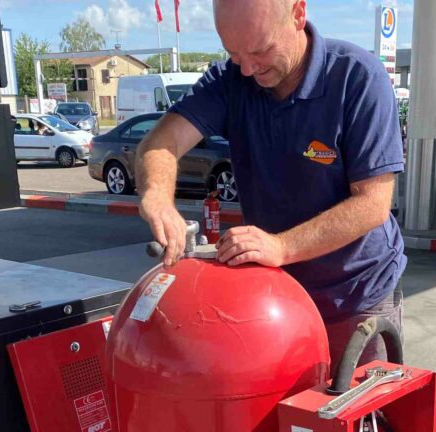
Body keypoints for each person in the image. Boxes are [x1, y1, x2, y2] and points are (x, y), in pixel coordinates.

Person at [136, 0, 407, 367]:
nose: (248, 69)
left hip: (357, 297)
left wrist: (281, 246)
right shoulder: (230, 81)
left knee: (356, 419)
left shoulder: (357, 77)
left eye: (260, 50)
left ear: (298, 14)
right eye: (234, 53)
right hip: (276, 299)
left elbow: (373, 203)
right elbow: (160, 143)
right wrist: (158, 197)